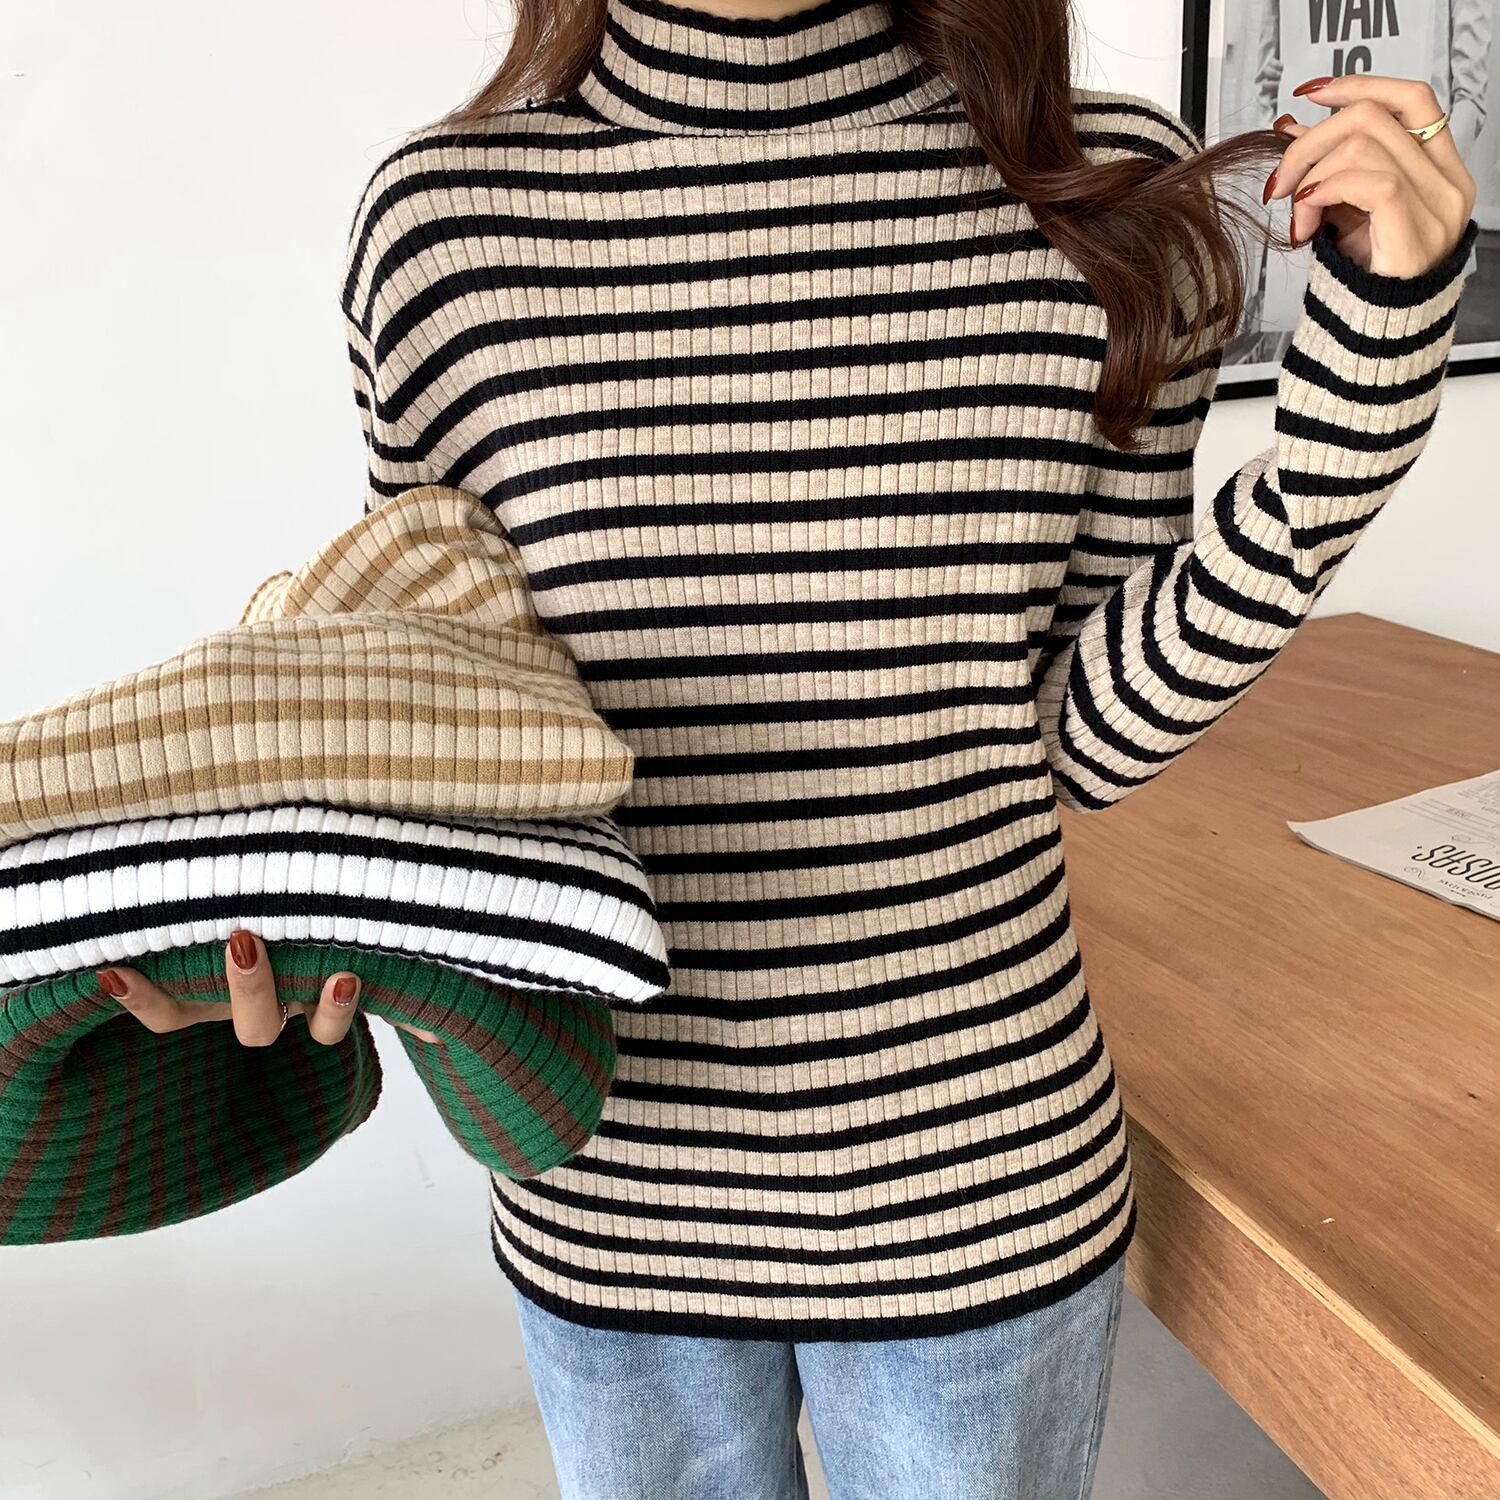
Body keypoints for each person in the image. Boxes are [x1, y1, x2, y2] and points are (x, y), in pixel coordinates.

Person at [99, 0, 1478, 1494]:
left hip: (974, 1177)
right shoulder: (443, 229)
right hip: (607, 1185)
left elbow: (1074, 740)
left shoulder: (1108, 198)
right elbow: (464, 735)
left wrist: (1351, 422)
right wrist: (263, 927)